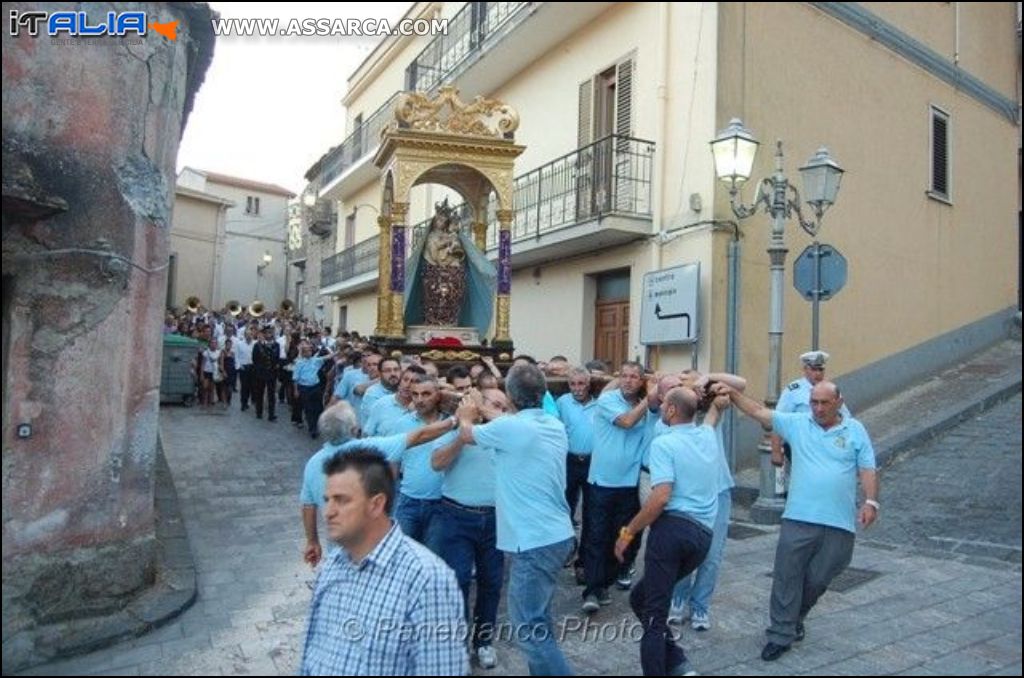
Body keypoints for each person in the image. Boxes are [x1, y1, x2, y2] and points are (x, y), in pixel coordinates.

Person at [723, 381, 879, 662]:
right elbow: (759, 411)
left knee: (820, 577)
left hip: (839, 521)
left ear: (839, 402)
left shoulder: (855, 430)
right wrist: (733, 394)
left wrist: (871, 501)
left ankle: (795, 617)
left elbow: (867, 467)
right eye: (814, 402)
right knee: (787, 576)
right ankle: (780, 633)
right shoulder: (798, 423)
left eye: (824, 403)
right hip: (798, 517)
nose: (818, 409)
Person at [300, 448, 467, 676]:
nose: (328, 512)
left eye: (341, 500)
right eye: (327, 500)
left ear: (376, 504)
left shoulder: (428, 580)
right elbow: (312, 652)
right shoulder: (331, 566)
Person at [455, 364, 575, 676]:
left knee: (529, 630)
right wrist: (485, 405)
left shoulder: (511, 429)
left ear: (510, 396)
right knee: (540, 622)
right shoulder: (552, 423)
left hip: (532, 542)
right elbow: (507, 423)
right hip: (556, 535)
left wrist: (468, 412)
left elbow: (467, 433)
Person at [614, 386, 725, 676]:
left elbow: (661, 496)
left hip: (673, 533)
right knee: (640, 598)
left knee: (654, 615)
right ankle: (676, 662)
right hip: (702, 537)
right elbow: (715, 411)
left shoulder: (664, 443)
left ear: (673, 410)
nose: (661, 408)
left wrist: (629, 531)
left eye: (664, 405)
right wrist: (718, 397)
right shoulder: (707, 435)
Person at [430, 388, 510, 670]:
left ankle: (484, 641)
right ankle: (458, 639)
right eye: (493, 404)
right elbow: (436, 463)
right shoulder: (454, 426)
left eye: (503, 405)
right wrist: (463, 434)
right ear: (476, 404)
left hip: (495, 519)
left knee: (491, 582)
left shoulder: (504, 431)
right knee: (459, 580)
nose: (498, 410)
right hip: (456, 515)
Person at [771, 350, 850, 492]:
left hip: (825, 443)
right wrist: (776, 449)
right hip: (799, 443)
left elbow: (845, 417)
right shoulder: (793, 390)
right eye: (814, 369)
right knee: (804, 479)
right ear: (805, 369)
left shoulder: (830, 389)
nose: (818, 374)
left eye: (820, 369)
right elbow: (779, 420)